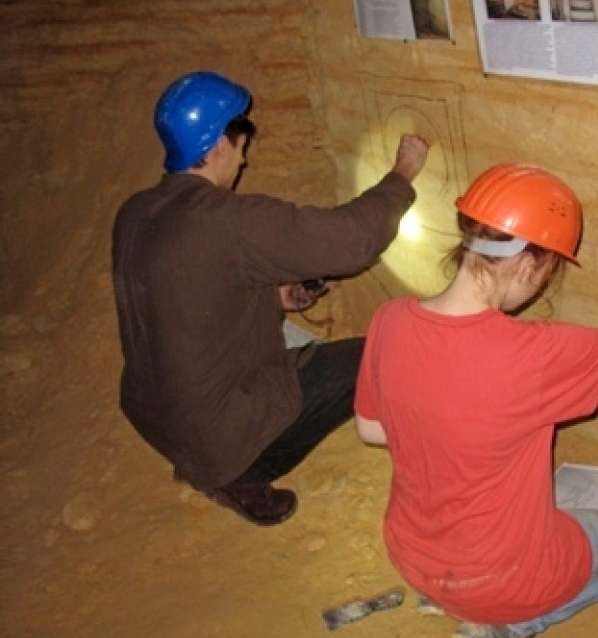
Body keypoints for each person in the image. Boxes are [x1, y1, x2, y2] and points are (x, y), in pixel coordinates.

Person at [354, 163, 598, 638]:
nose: (541, 285)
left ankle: (452, 598)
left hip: (412, 556)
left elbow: (372, 429)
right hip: (498, 583)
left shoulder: (390, 319)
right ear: (525, 265)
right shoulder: (533, 354)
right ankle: (508, 627)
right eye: (546, 271)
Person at [112, 70, 429, 527]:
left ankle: (215, 463)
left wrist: (274, 297)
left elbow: (186, 303)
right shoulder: (224, 220)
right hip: (221, 439)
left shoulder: (135, 212)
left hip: (161, 424)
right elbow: (351, 240)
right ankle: (238, 476)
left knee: (276, 364)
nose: (243, 160)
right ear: (218, 146)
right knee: (381, 353)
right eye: (241, 146)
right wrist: (402, 176)